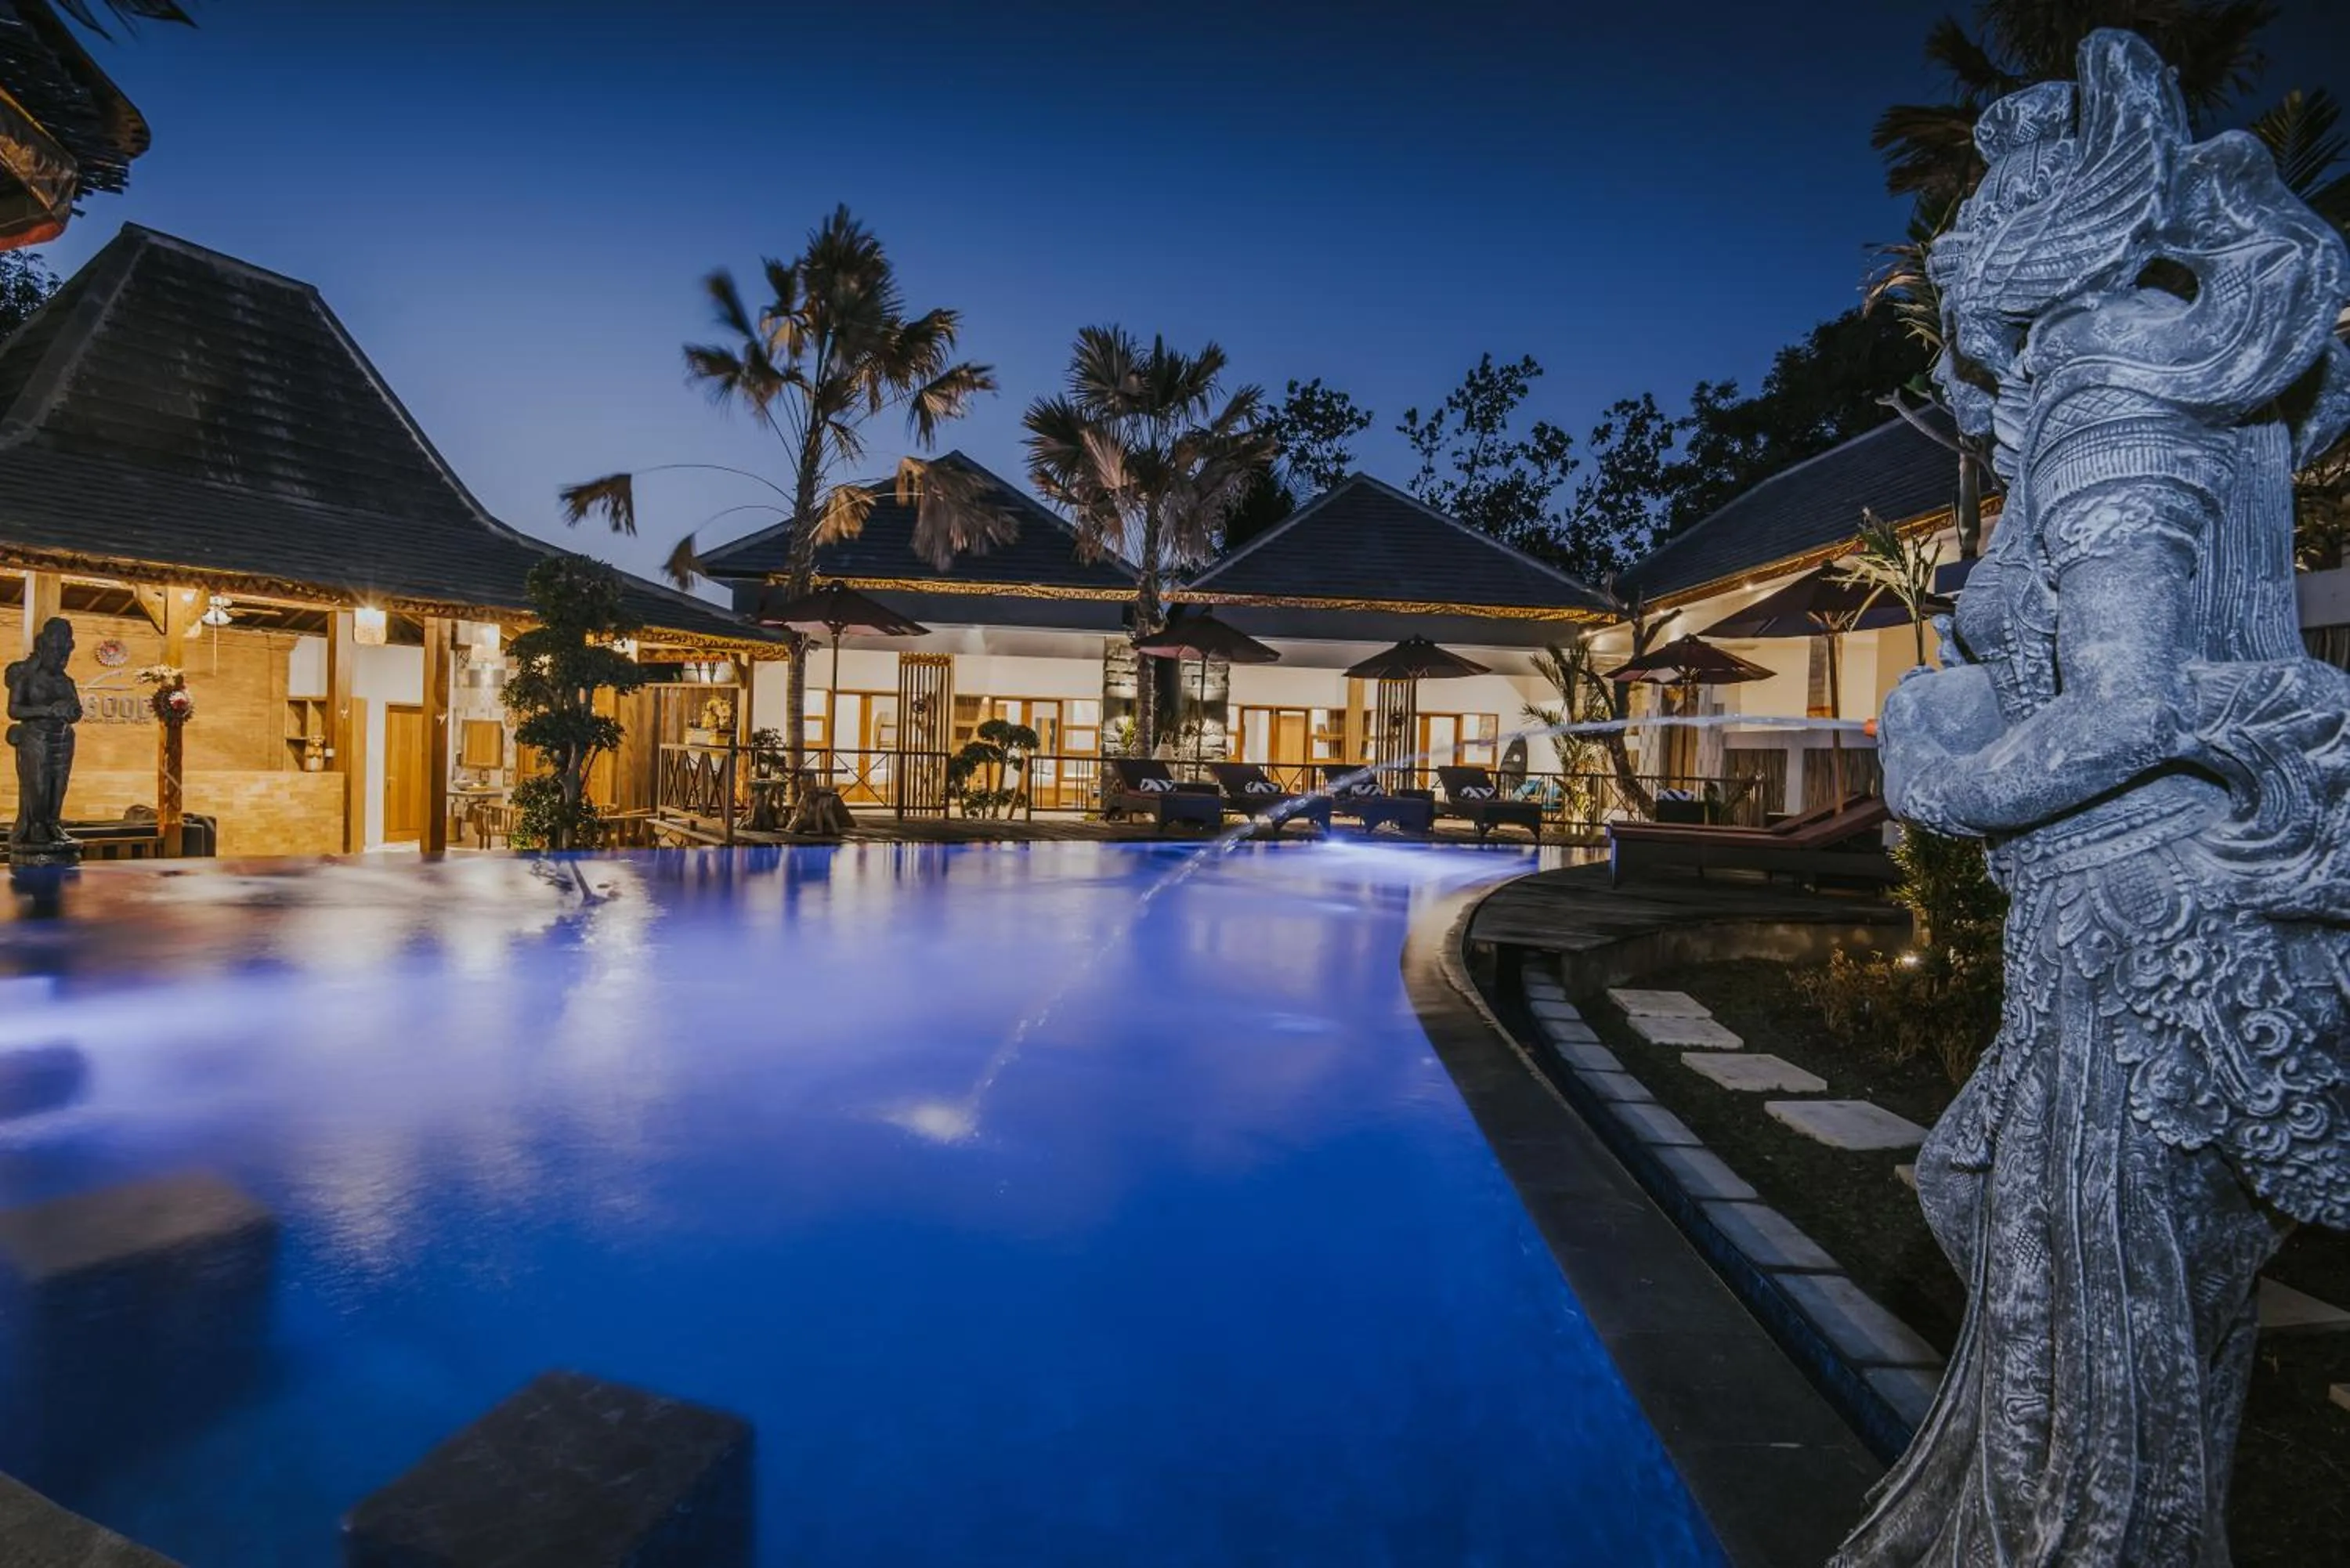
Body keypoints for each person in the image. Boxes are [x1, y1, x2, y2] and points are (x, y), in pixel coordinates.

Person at [1842, 31, 2350, 1566]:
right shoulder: (2106, 384)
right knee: (2007, 1212)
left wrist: (1939, 778)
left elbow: (2133, 703)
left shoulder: (2107, 391)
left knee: (2088, 1290)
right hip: (2111, 909)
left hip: (2132, 929)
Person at [5, 616, 81, 854]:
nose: (60, 659)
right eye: (55, 653)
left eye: (64, 655)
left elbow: (76, 710)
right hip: (36, 739)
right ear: (44, 648)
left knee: (59, 784)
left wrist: (69, 711)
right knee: (38, 784)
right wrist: (48, 711)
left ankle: (53, 823)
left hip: (62, 739)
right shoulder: (27, 678)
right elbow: (15, 710)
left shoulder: (66, 681)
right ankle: (37, 825)